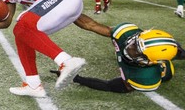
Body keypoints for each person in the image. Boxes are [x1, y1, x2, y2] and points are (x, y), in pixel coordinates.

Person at [51, 22, 185, 93]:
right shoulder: (129, 34)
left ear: (146, 62)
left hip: (165, 71)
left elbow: (109, 86)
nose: (130, 47)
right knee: (170, 47)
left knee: (176, 52)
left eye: (136, 51)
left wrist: (76, 78)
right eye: (135, 42)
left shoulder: (145, 77)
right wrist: (70, 13)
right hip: (153, 53)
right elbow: (90, 25)